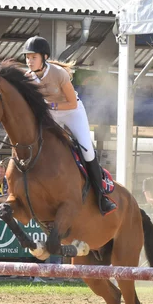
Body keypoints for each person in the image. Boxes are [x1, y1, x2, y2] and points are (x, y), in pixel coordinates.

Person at [22, 36, 116, 215]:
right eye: (27, 57)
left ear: (44, 57)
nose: (29, 61)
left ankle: (101, 196)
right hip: (51, 115)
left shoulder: (58, 74)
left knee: (87, 150)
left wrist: (51, 106)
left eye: (33, 57)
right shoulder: (28, 78)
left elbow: (72, 103)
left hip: (72, 112)